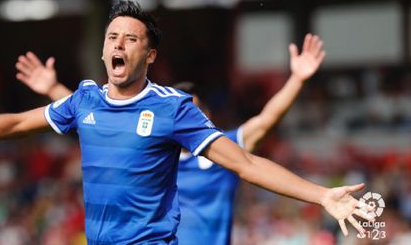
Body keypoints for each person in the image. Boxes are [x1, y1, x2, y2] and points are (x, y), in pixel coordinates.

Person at [0, 0, 374, 244]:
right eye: (111, 37)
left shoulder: (173, 109)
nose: (118, 44)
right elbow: (14, 125)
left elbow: (245, 163)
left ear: (150, 55)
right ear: (104, 52)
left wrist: (322, 196)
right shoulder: (84, 100)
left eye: (131, 38)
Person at [16, 34, 328, 245]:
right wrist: (53, 88)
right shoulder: (148, 152)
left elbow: (265, 120)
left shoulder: (223, 152)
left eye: (191, 113)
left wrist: (297, 79)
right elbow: (96, 117)